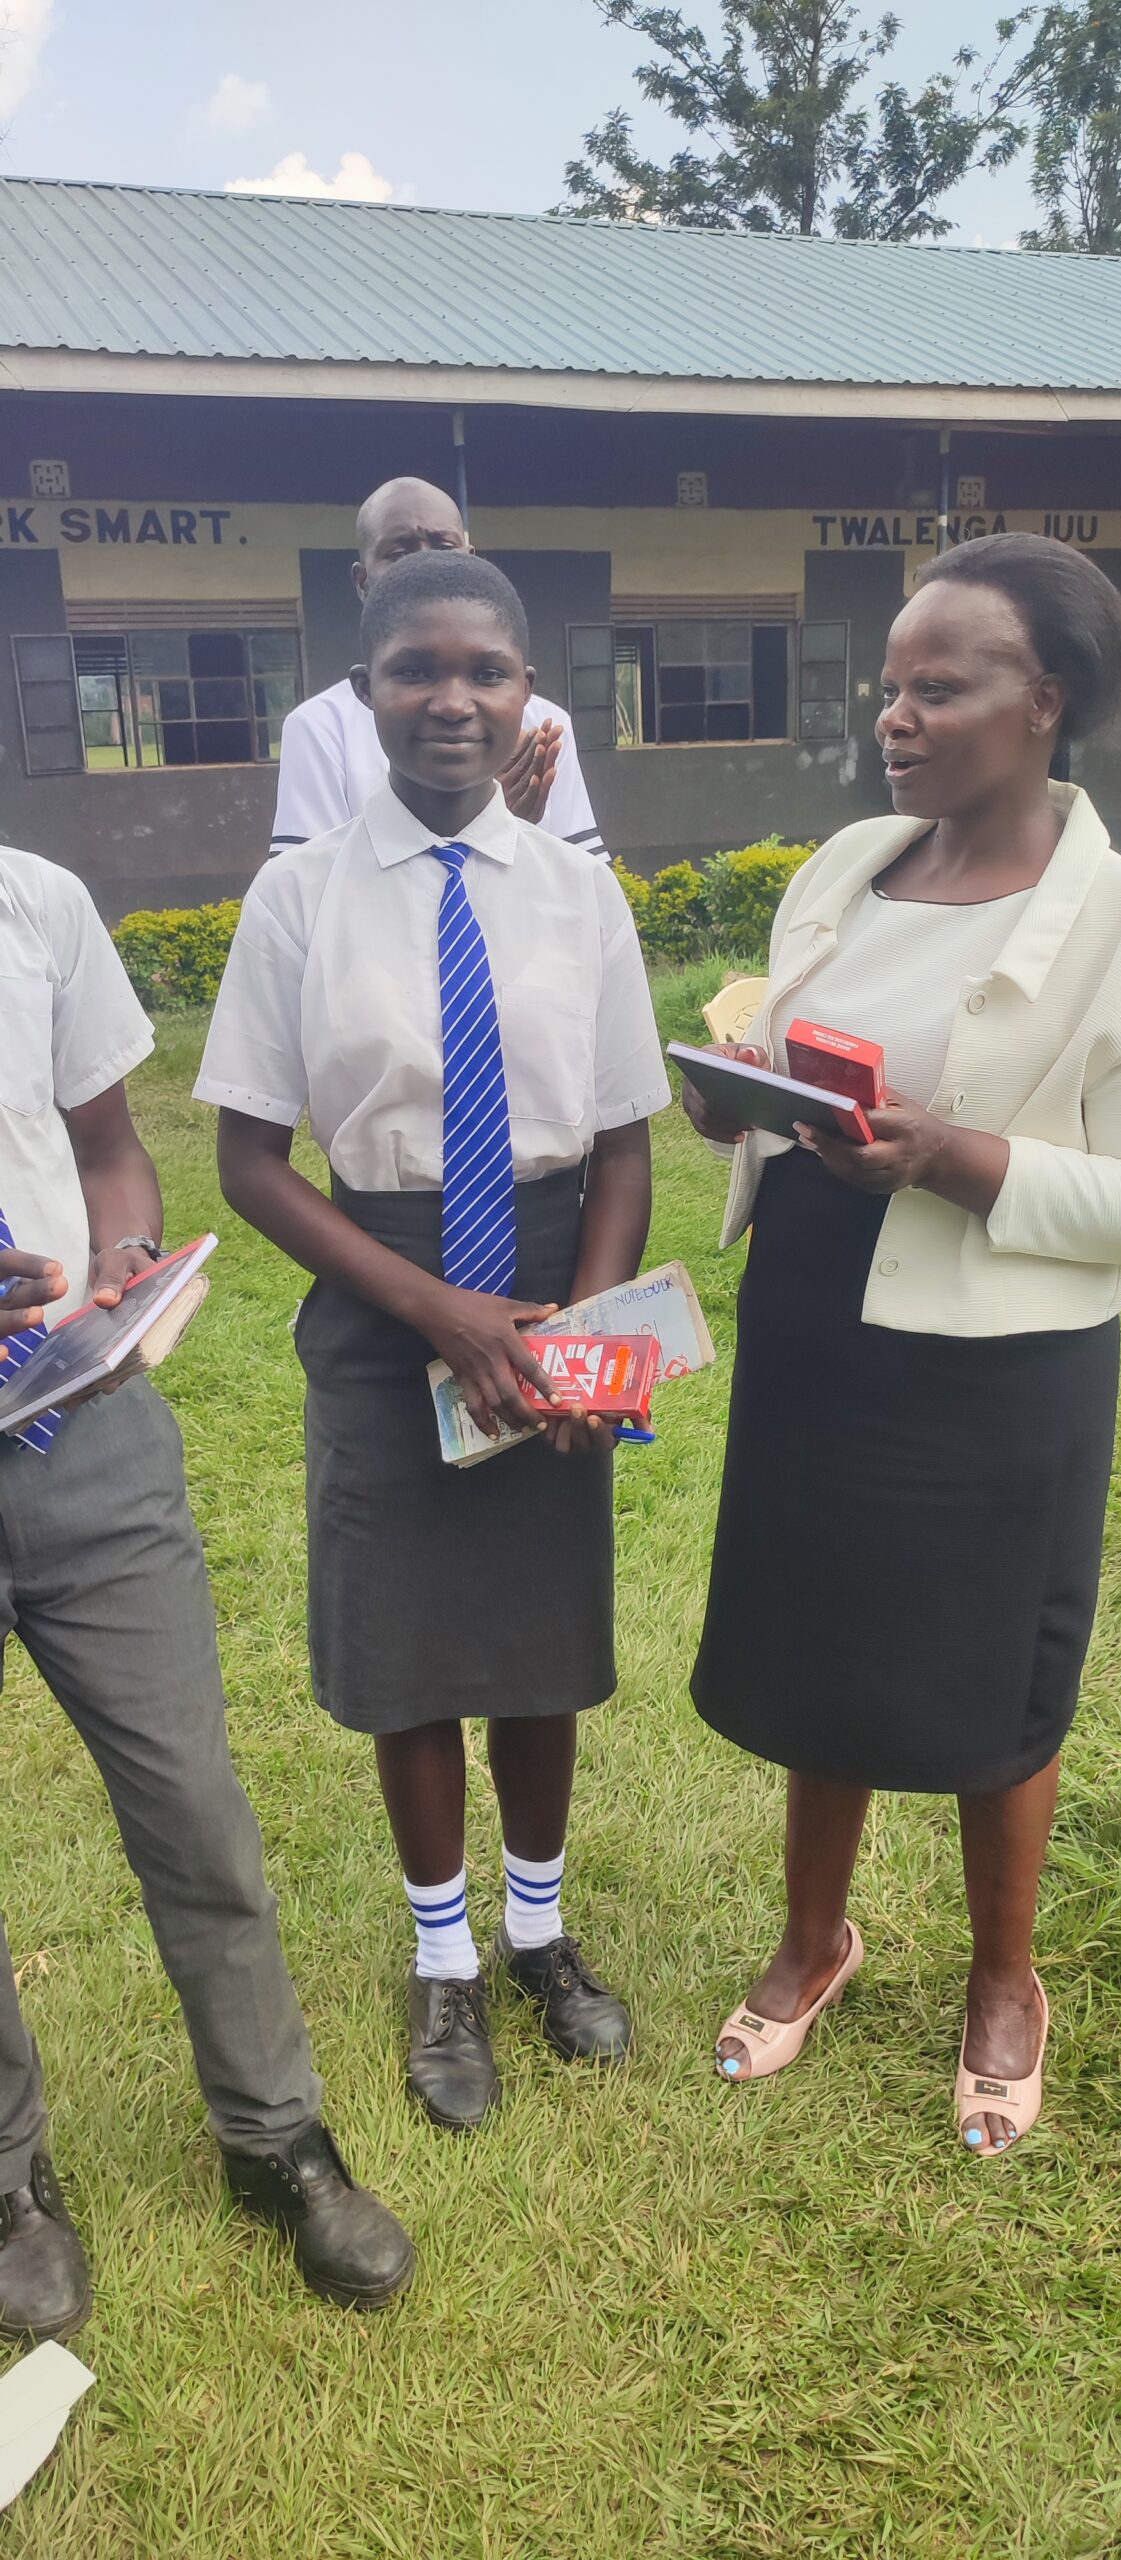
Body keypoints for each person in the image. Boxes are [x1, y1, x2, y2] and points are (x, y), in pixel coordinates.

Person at [683, 533, 1121, 2158]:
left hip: (995, 1352)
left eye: (936, 687)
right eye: (889, 687)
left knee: (987, 1678)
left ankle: (1003, 1977)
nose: (895, 717)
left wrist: (954, 1158)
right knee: (824, 1641)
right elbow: (778, 1029)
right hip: (820, 1315)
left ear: (1048, 700)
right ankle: (817, 1937)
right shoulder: (847, 864)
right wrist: (727, 1092)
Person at [195, 549, 669, 2133]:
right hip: (385, 1280)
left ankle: (540, 1931)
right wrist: (437, 1318)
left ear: (530, 693)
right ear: (365, 690)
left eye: (488, 670)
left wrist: (582, 1331)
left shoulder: (578, 889)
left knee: (540, 1638)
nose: (453, 699)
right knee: (409, 1654)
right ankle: (446, 1960)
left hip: (549, 1277)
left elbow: (625, 1145)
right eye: (417, 669)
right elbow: (251, 1160)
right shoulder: (301, 893)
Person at [0, 852, 415, 2341]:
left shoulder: (36, 903)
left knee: (192, 1800)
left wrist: (121, 1248)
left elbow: (108, 1141)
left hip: (76, 1429)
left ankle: (274, 2137)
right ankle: (9, 2181)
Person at [270, 475, 608, 859]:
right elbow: (313, 897)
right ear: (362, 580)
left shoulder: (542, 725)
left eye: (444, 548)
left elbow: (583, 892)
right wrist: (478, 826)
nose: (453, 707)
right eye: (399, 553)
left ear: (471, 561)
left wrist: (503, 830)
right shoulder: (320, 727)